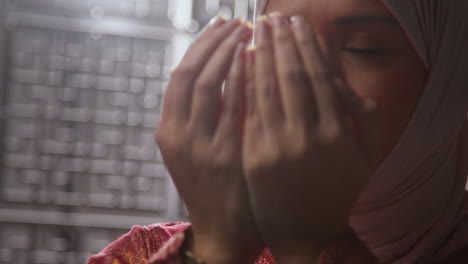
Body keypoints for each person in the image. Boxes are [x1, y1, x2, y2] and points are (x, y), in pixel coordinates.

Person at [87, 0, 468, 263]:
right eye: (278, 41)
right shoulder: (147, 253)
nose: (300, 76)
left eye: (361, 48)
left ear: (446, 82)